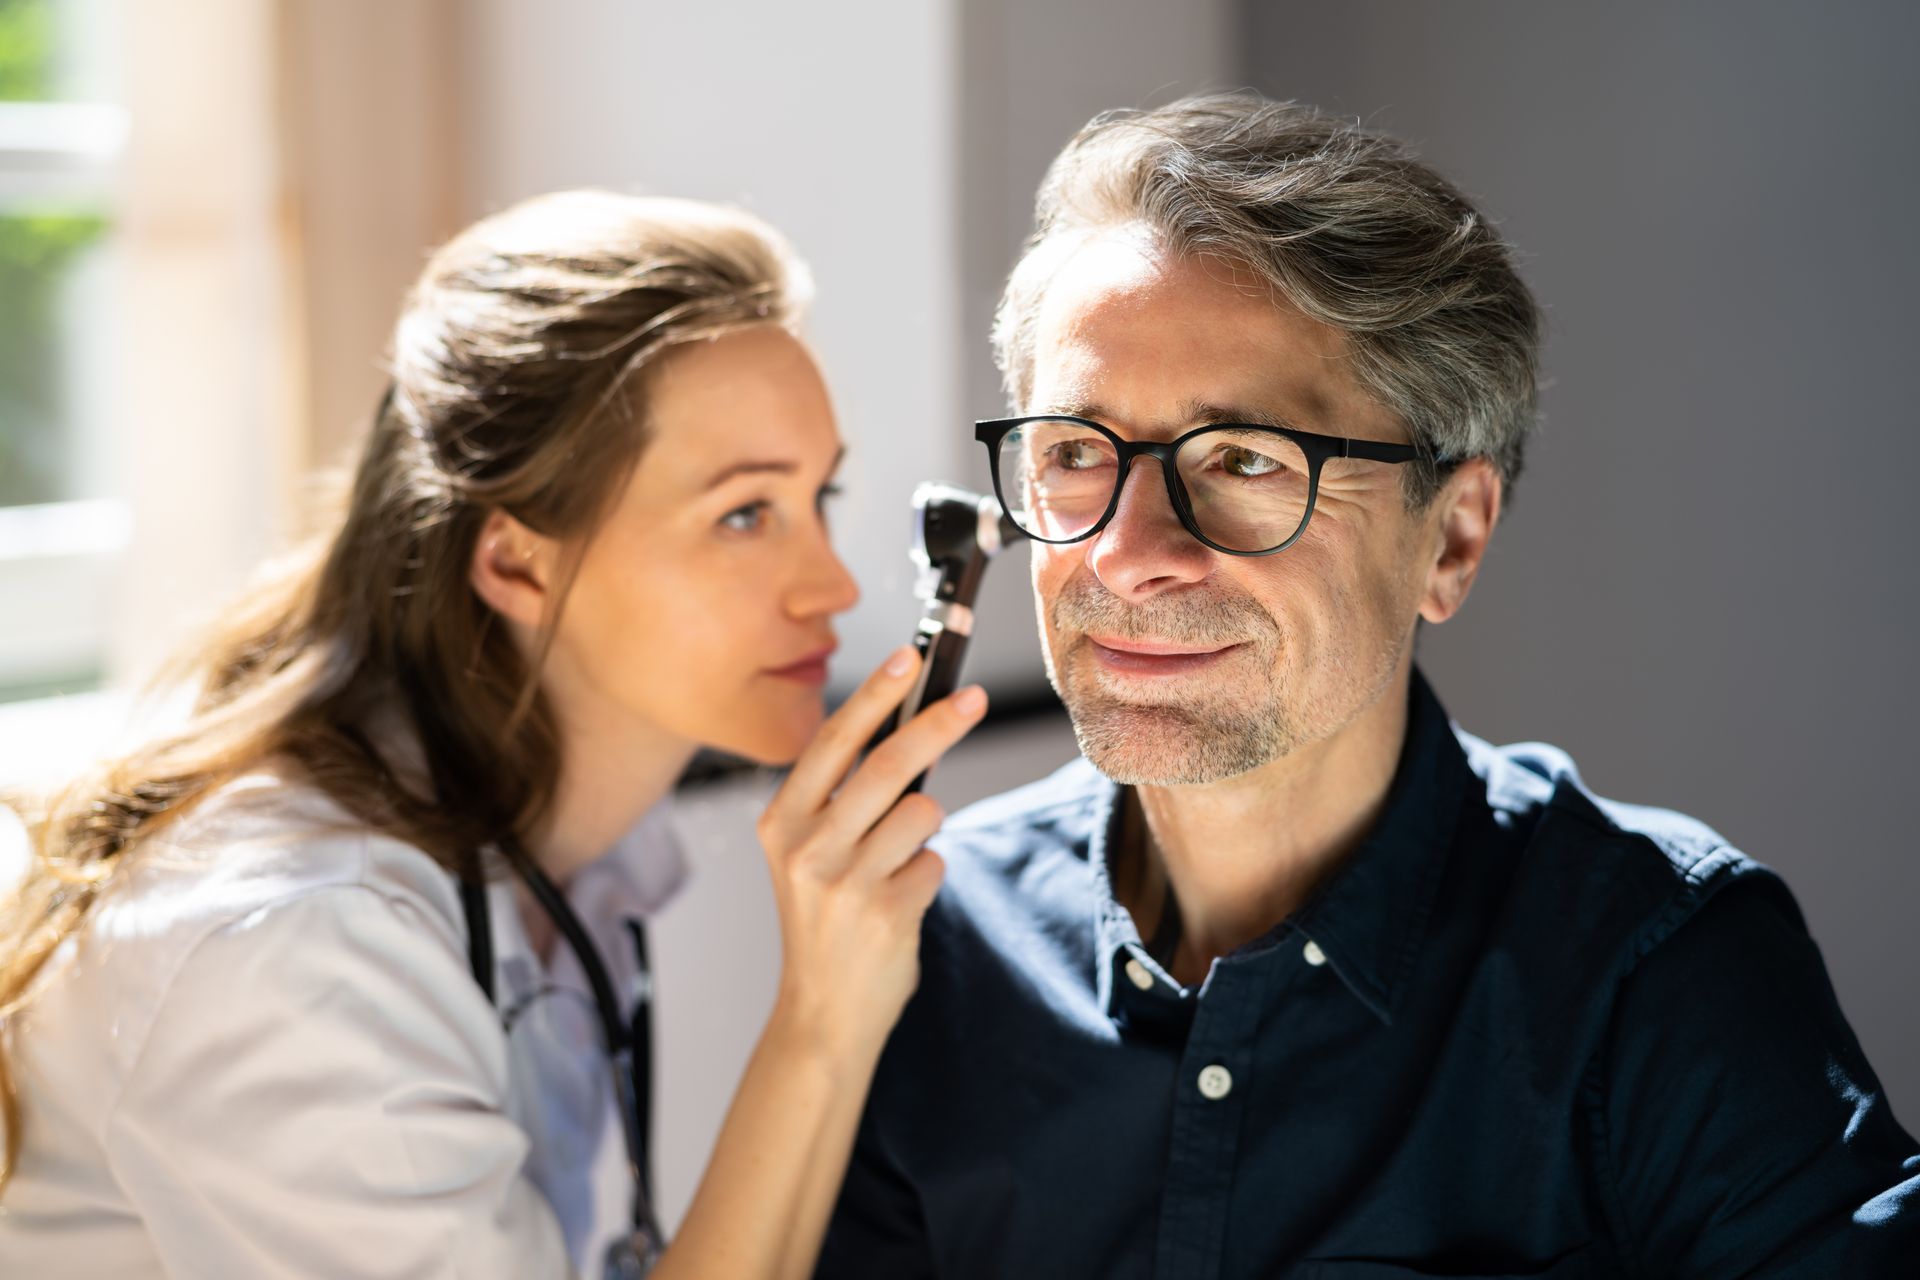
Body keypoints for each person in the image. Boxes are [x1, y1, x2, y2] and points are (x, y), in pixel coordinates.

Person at [815, 94, 1919, 1277]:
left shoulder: (1660, 976)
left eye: (1242, 459)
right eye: (1077, 453)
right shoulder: (928, 937)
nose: (1126, 553)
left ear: (1450, 538)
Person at [0, 189, 989, 1278]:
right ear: (517, 561)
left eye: (821, 496)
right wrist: (822, 1017)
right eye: (744, 514)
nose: (833, 584)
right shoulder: (298, 954)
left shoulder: (577, 855)